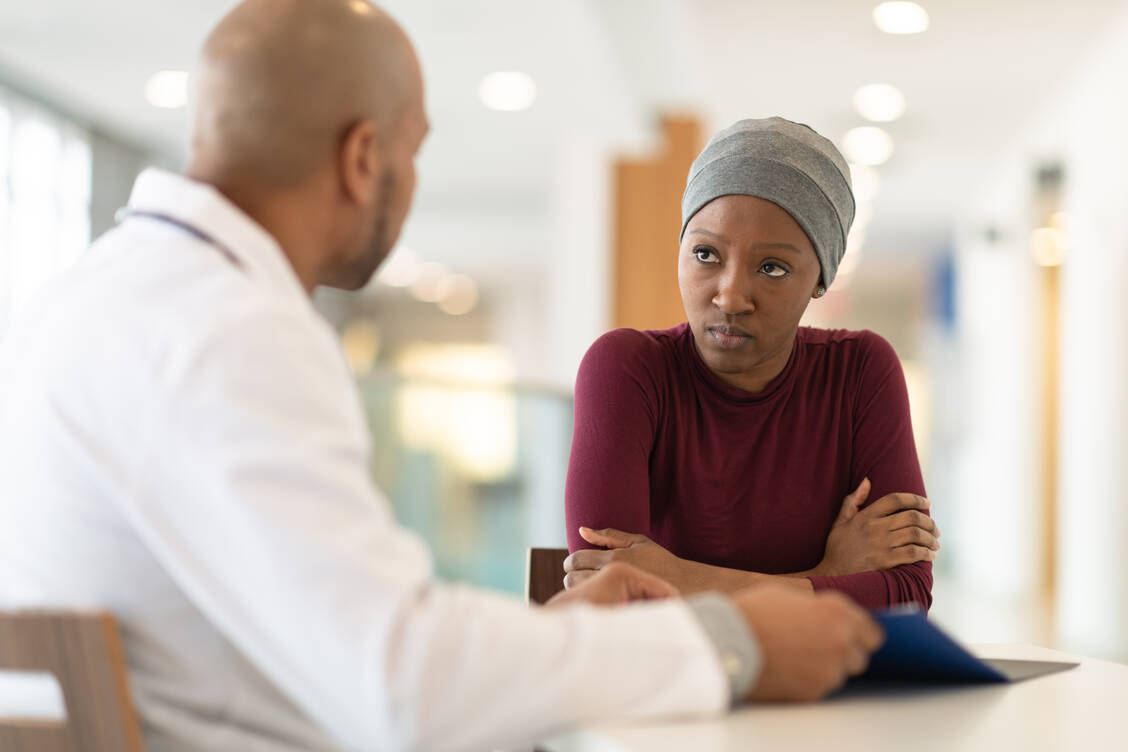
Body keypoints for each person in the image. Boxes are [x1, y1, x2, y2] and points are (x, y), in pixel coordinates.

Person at [0, 3, 883, 751]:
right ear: (363, 158)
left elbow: (352, 640)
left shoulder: (93, 298)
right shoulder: (226, 329)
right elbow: (405, 684)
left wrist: (558, 635)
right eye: (413, 152)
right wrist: (732, 643)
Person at [564, 118, 939, 610]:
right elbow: (612, 600)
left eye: (772, 268)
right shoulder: (627, 369)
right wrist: (828, 575)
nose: (731, 297)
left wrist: (681, 578)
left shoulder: (860, 372)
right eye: (705, 254)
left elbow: (907, 597)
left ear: (821, 281)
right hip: (693, 668)